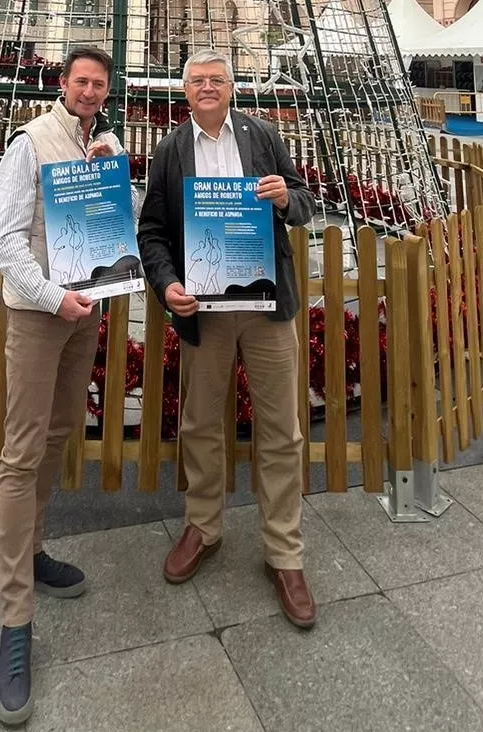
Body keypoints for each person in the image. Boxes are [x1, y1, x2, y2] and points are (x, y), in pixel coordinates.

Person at [137, 49, 318, 629]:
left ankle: (284, 553)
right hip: (205, 311)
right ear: (185, 92)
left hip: (266, 310)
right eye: (197, 82)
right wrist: (167, 287)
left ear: (232, 88)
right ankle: (204, 526)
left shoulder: (262, 136)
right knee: (200, 423)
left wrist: (287, 200)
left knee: (281, 428)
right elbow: (153, 232)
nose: (207, 88)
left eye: (217, 80)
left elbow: (306, 203)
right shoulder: (171, 149)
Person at [0, 45, 134, 726]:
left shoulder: (102, 141)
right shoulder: (31, 141)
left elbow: (121, 221)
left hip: (86, 313)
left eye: (99, 84)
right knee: (20, 453)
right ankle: (14, 620)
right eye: (81, 81)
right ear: (62, 84)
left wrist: (118, 175)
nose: (89, 91)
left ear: (106, 93)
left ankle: (36, 550)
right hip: (44, 314)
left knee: (54, 436)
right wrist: (52, 298)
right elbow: (6, 242)